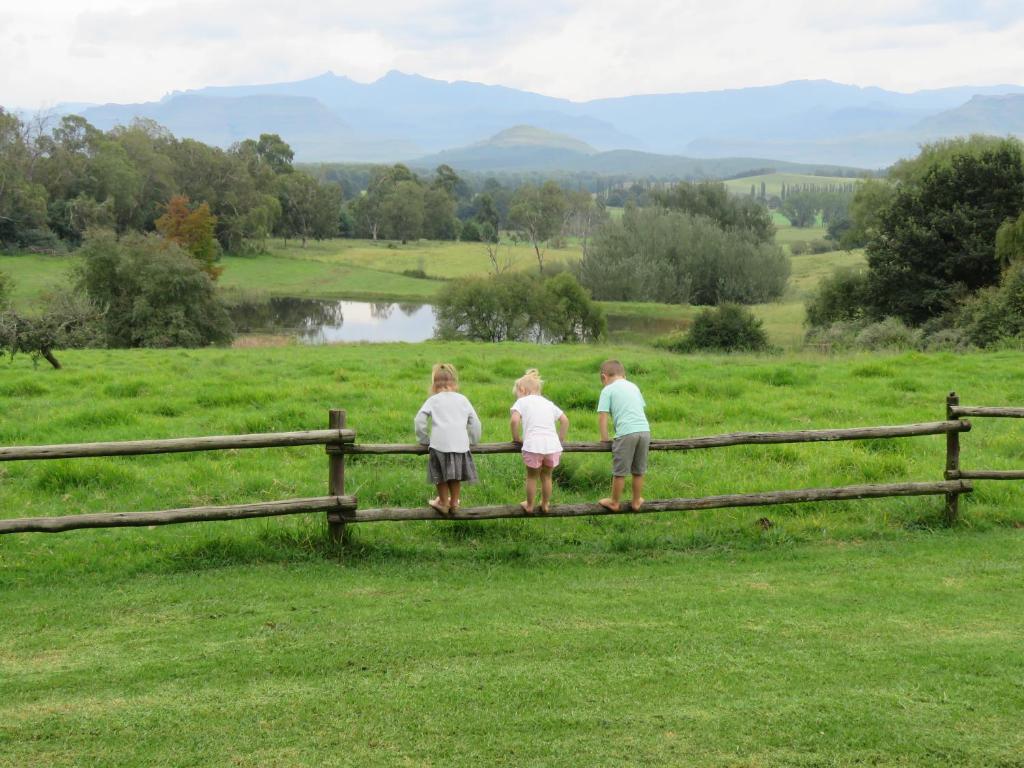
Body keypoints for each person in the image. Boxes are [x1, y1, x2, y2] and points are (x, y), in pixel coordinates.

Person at [414, 363, 482, 514]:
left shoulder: (433, 400)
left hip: (439, 445)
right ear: (454, 382)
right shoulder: (463, 399)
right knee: (455, 475)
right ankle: (454, 502)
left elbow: (419, 420)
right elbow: (475, 423)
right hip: (460, 445)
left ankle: (443, 502)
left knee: (441, 476)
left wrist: (424, 439)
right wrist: (473, 440)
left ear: (434, 384)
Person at [510, 369, 569, 514]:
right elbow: (565, 420)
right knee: (547, 476)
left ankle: (530, 505)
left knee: (532, 477)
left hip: (533, 445)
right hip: (552, 446)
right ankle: (545, 504)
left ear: (522, 389)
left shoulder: (521, 401)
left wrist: (516, 438)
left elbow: (514, 420)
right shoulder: (548, 403)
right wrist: (559, 440)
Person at [596, 359, 650, 512]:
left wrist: (604, 438)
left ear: (604, 377)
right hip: (645, 431)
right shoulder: (634, 386)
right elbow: (640, 407)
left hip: (626, 433)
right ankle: (636, 500)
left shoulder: (607, 390)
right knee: (639, 470)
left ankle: (614, 502)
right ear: (624, 376)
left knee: (619, 472)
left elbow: (603, 415)